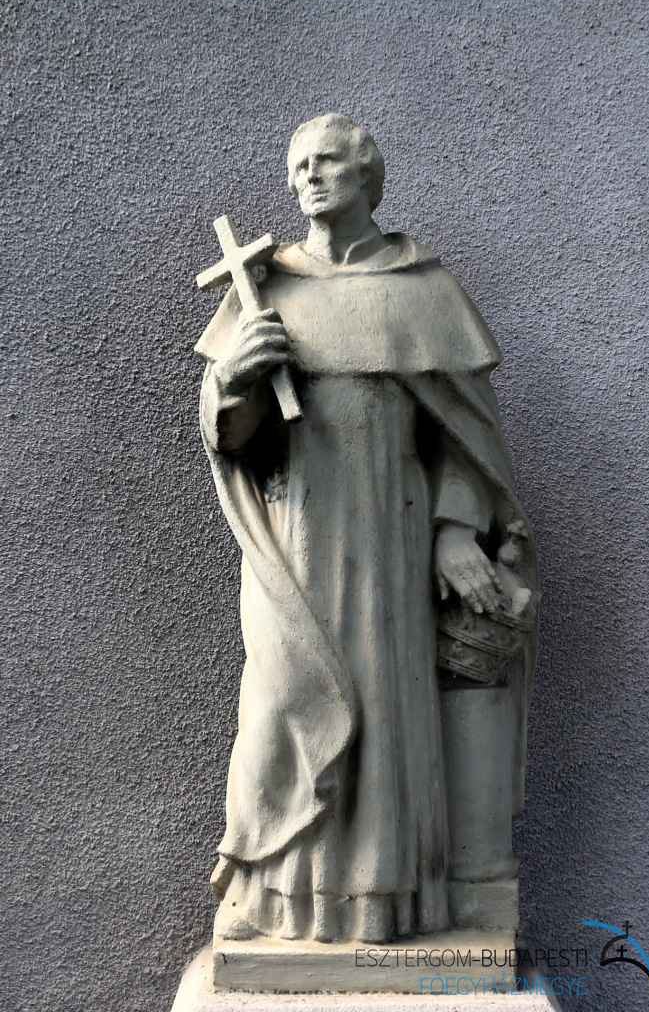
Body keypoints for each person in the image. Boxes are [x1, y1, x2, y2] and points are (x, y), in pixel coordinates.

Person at [196, 113, 538, 944]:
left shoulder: (420, 289)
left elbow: (463, 437)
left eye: (326, 162)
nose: (308, 177)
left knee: (382, 716)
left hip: (391, 537)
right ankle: (274, 895)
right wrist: (234, 383)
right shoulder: (266, 286)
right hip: (294, 537)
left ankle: (380, 905)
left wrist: (454, 529)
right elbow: (231, 438)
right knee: (281, 705)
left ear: (366, 175)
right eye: (297, 166)